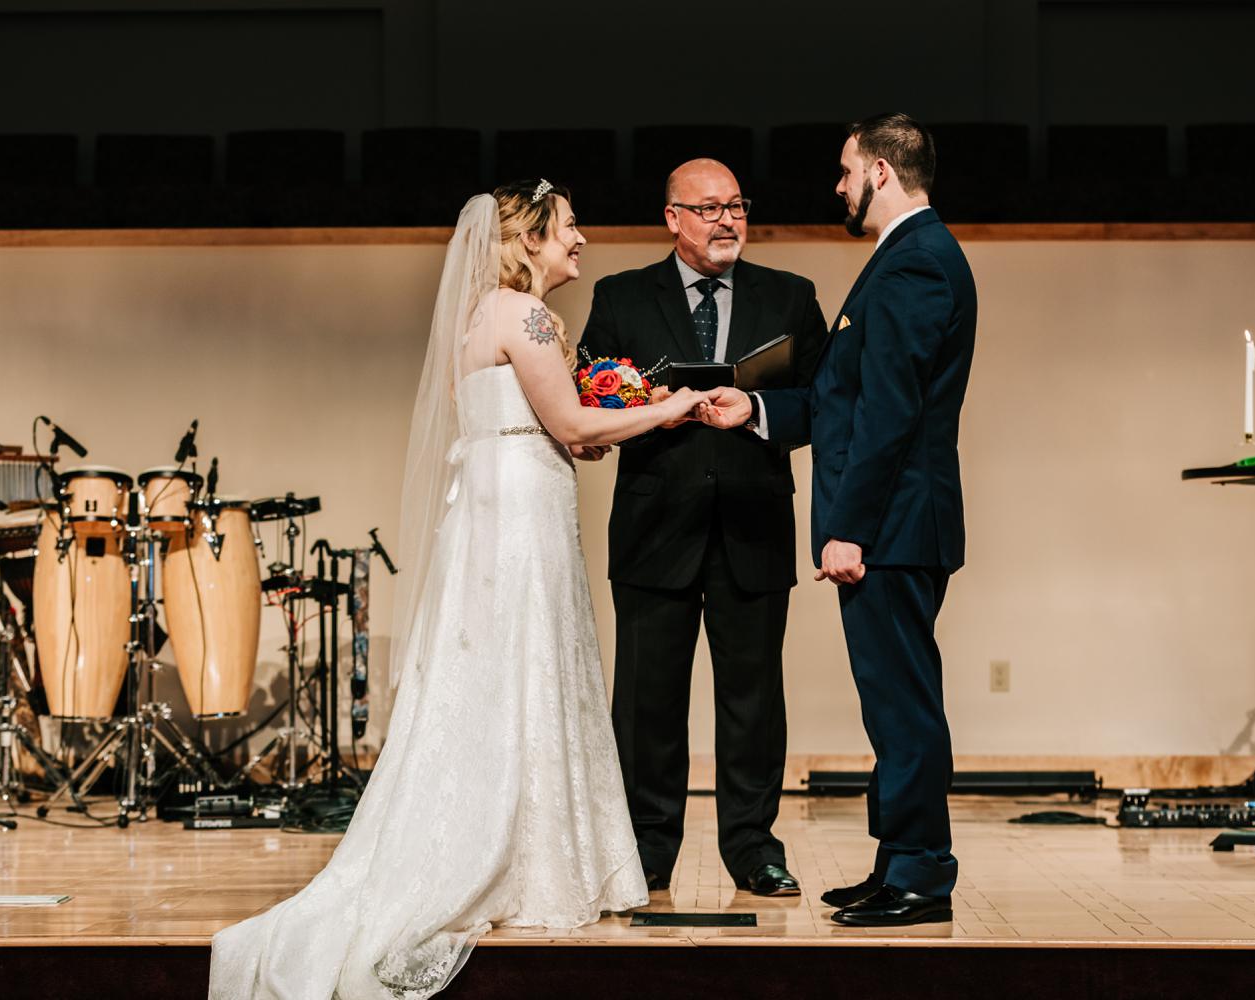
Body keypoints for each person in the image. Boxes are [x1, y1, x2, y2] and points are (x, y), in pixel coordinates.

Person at [209, 179, 710, 999]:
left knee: (492, 676)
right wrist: (671, 407)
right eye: (568, 228)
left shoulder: (476, 317)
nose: (580, 241)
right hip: (520, 514)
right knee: (532, 667)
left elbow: (521, 418)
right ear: (528, 240)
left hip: (488, 501)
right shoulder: (529, 315)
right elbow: (576, 425)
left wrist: (589, 424)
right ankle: (531, 862)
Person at [700, 114, 977, 926]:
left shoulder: (916, 265)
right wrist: (750, 407)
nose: (839, 186)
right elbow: (837, 399)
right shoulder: (902, 261)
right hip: (890, 522)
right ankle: (897, 861)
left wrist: (849, 526)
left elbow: (890, 415)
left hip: (894, 524)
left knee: (904, 705)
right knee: (889, 702)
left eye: (846, 171)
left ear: (883, 173)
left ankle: (923, 873)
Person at [578, 159, 826, 896]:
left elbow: (826, 401)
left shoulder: (791, 296)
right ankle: (647, 849)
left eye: (737, 207)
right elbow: (592, 393)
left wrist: (760, 411)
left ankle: (753, 849)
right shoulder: (620, 297)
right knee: (648, 703)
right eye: (710, 208)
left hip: (753, 527)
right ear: (673, 218)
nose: (727, 221)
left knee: (752, 703)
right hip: (656, 527)